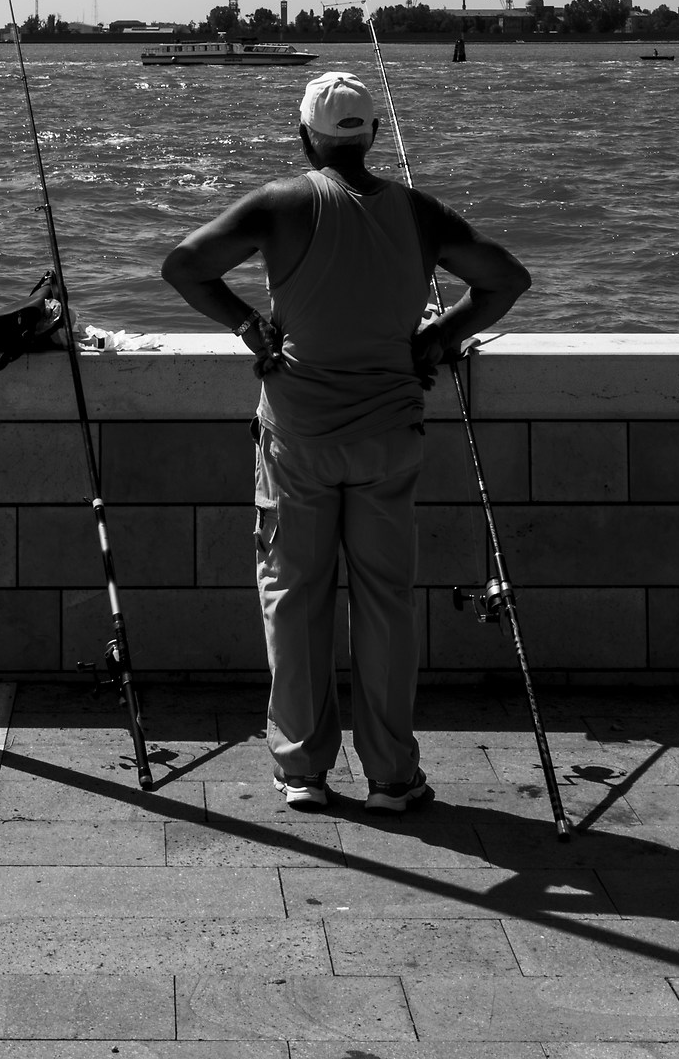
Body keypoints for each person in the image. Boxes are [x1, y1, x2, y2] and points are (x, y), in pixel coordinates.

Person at [161, 68, 530, 813]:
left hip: (296, 435)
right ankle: (392, 775)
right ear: (373, 137)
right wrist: (439, 338)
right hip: (389, 433)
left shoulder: (282, 202)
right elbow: (505, 280)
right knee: (386, 604)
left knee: (294, 599)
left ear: (305, 136)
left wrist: (246, 324)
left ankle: (302, 771)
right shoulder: (419, 213)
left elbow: (183, 266)